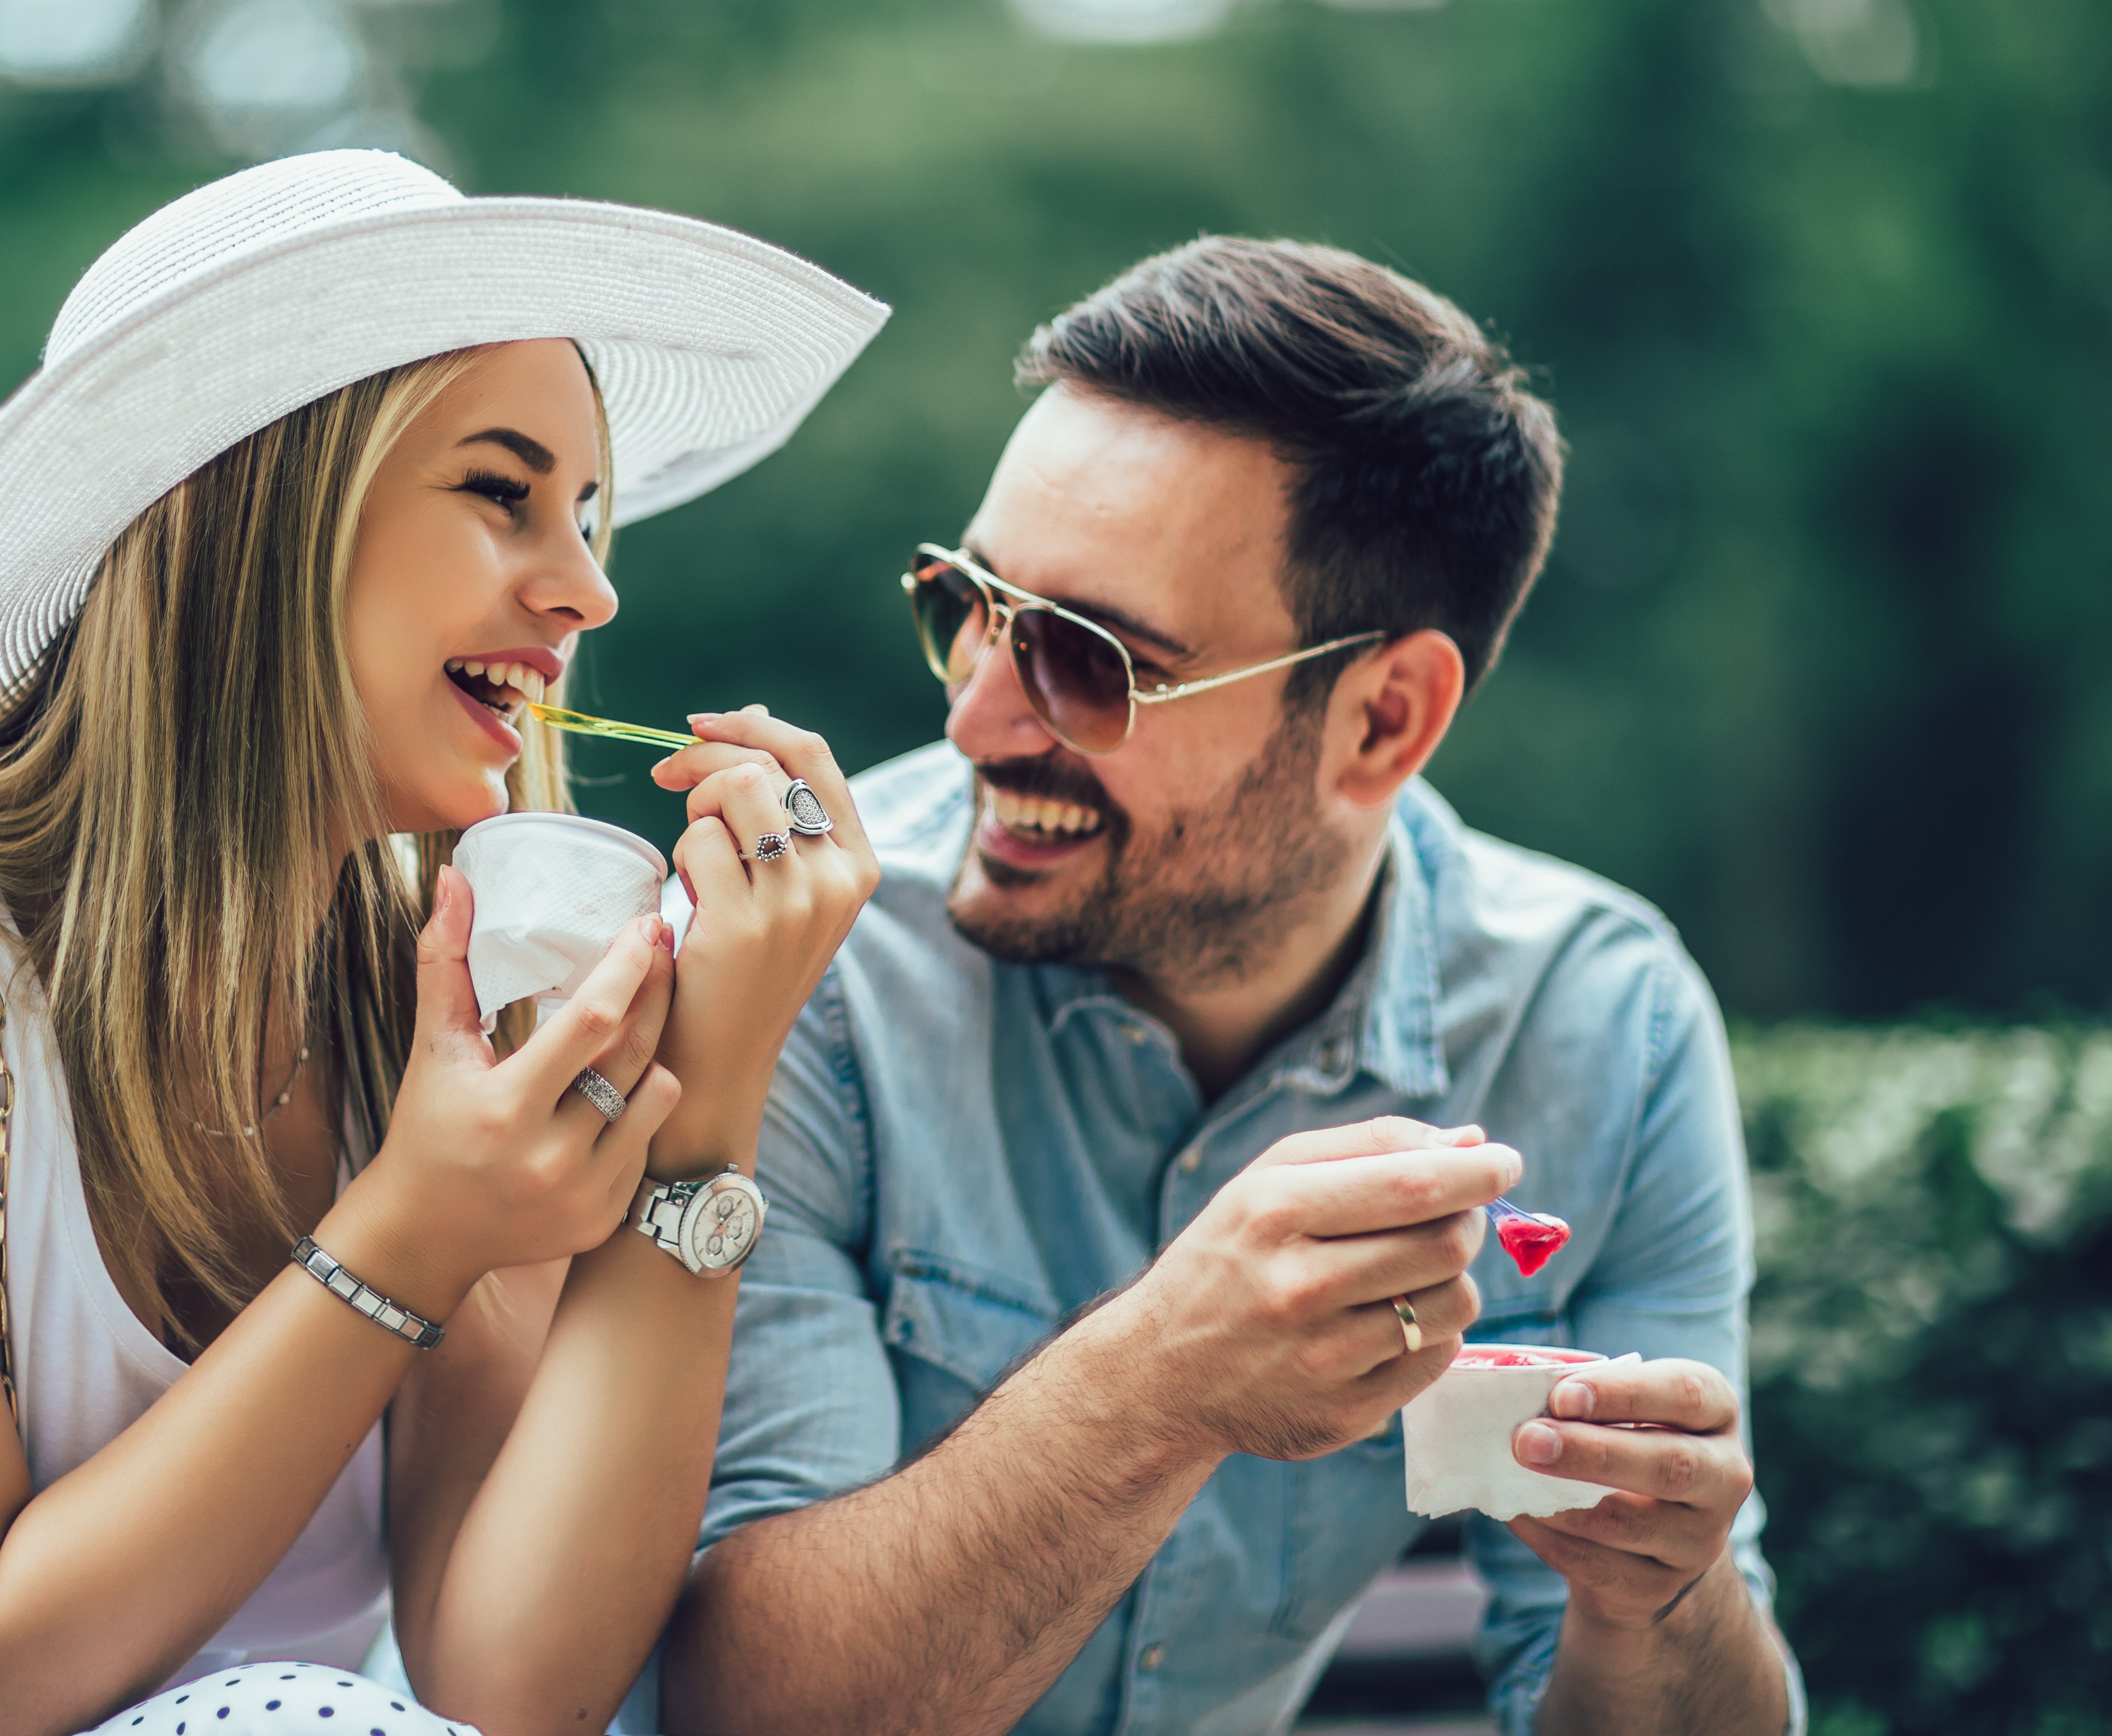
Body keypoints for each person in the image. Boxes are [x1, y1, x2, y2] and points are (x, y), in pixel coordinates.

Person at [0, 150, 890, 1736]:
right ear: (260, 512)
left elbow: (512, 1679)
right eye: (504, 493)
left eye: (585, 513)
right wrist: (413, 1231)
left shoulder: (425, 990)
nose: (587, 589)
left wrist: (701, 1115)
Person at [647, 239, 1805, 1736]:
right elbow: (730, 1714)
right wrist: (1158, 1383)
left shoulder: (1605, 1027)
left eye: (1087, 658)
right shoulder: (800, 973)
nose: (978, 716)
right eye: (970, 603)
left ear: (1385, 721)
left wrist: (1668, 1598)